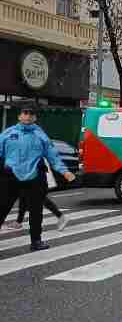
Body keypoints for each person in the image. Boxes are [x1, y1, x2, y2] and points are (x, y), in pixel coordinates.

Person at [0, 105, 76, 251]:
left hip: (34, 177)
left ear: (35, 118)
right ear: (19, 116)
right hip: (11, 176)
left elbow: (53, 156)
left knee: (36, 211)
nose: (28, 116)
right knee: (2, 207)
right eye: (25, 113)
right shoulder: (8, 134)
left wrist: (64, 171)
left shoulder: (40, 135)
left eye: (31, 114)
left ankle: (36, 241)